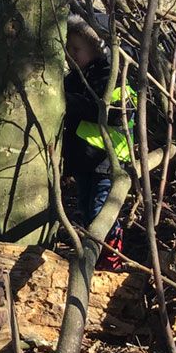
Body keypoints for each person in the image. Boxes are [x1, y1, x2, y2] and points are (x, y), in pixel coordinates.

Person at [63, 15, 134, 270]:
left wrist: (64, 101)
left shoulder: (111, 75)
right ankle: (94, 254)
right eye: (67, 50)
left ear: (96, 48)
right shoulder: (77, 76)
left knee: (100, 211)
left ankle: (111, 260)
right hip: (85, 161)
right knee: (85, 206)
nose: (70, 56)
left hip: (107, 161)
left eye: (76, 50)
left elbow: (106, 110)